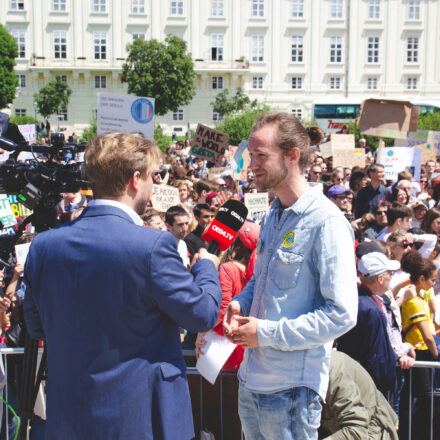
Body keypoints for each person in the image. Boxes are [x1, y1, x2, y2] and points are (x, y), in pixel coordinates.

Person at [23, 132, 222, 440]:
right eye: (153, 176)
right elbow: (203, 314)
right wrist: (207, 266)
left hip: (69, 420)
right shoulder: (153, 246)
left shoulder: (44, 246)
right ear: (136, 179)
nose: (155, 185)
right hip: (141, 419)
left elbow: (37, 326)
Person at [223, 113, 357, 439]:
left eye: (260, 156)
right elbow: (261, 280)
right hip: (251, 381)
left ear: (292, 155)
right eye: (250, 155)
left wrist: (265, 333)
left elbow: (341, 314)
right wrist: (240, 303)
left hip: (291, 390)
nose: (250, 164)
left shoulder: (326, 221)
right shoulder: (273, 213)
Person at [338, 252, 414, 395]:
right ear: (380, 279)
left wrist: (401, 350)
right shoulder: (370, 308)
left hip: (361, 381)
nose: (391, 277)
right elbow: (377, 353)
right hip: (372, 386)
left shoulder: (361, 300)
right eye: (390, 273)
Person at [399, 250, 440, 440]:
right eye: (432, 280)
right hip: (420, 354)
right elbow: (427, 336)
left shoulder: (421, 296)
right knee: (425, 398)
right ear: (421, 279)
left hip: (424, 352)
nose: (433, 284)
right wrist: (436, 355)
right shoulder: (414, 301)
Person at [319, 350, 398, 440]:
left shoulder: (335, 374)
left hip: (370, 429)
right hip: (345, 425)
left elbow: (356, 429)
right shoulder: (314, 365)